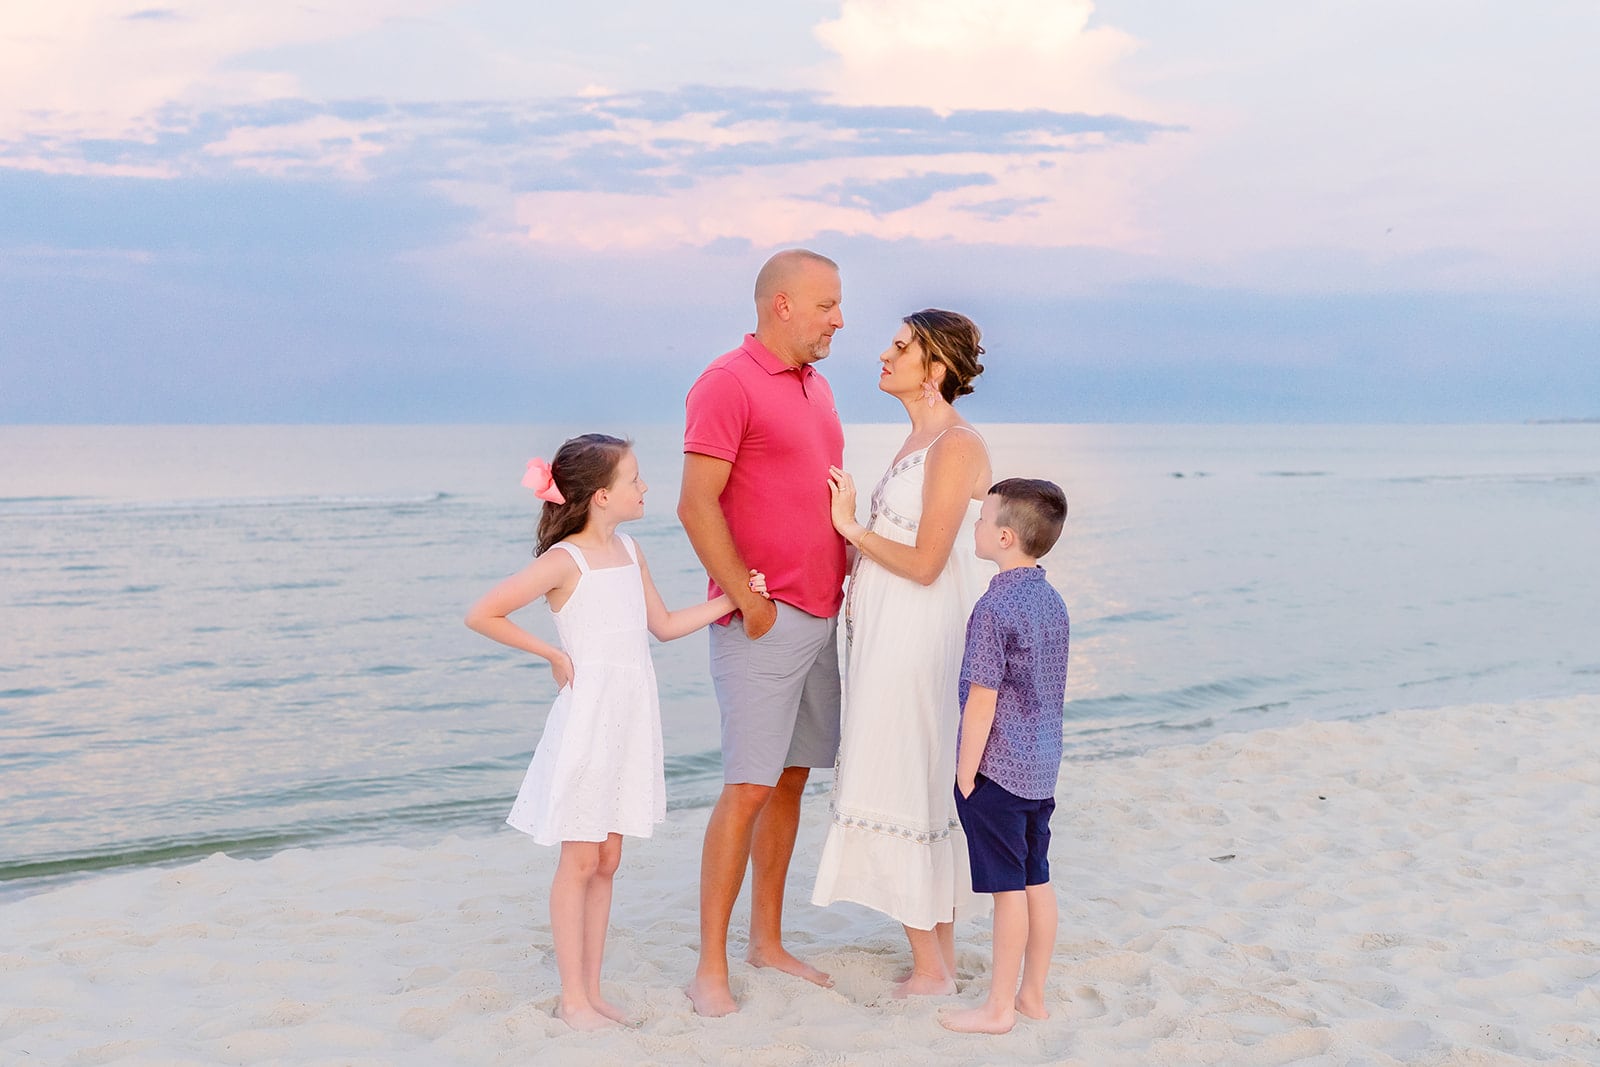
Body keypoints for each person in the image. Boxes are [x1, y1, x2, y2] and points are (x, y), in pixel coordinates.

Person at [464, 433, 768, 1031]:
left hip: (630, 721)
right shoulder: (564, 561)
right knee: (578, 860)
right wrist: (551, 654)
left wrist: (735, 599)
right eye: (634, 479)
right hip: (588, 721)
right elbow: (483, 613)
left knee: (608, 857)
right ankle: (572, 997)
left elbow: (664, 625)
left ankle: (593, 991)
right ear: (601, 496)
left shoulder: (631, 552)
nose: (645, 486)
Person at [678, 249, 848, 1017]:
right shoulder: (727, 382)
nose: (838, 320)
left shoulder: (820, 388)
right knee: (747, 784)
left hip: (822, 615)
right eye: (826, 305)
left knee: (791, 779)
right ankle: (709, 968)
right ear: (782, 304)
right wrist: (747, 600)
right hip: (766, 620)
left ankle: (767, 941)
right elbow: (696, 503)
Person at [811, 309, 995, 997]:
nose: (883, 355)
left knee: (907, 774)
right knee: (912, 772)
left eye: (900, 347)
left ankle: (929, 967)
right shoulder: (918, 439)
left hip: (920, 639)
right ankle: (937, 962)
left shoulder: (954, 444)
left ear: (936, 368)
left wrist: (850, 527)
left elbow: (925, 563)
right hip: (892, 635)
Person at [940, 478, 1071, 1035]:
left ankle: (997, 1009)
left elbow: (982, 699)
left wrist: (966, 773)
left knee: (1007, 893)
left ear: (1005, 536)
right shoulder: (1051, 599)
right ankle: (1032, 997)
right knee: (1037, 879)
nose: (973, 524)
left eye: (982, 517)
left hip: (998, 771)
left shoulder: (994, 607)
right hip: (1041, 770)